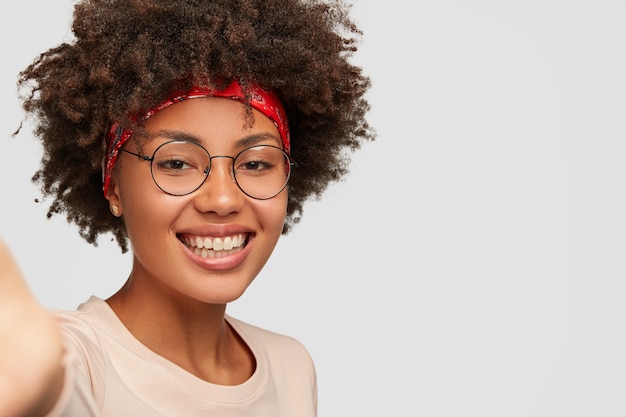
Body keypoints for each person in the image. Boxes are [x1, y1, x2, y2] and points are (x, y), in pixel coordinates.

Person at [0, 0, 374, 415]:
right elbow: (45, 384)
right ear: (114, 187)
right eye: (176, 163)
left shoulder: (291, 367)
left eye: (255, 164)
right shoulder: (79, 360)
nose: (223, 199)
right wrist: (37, 380)